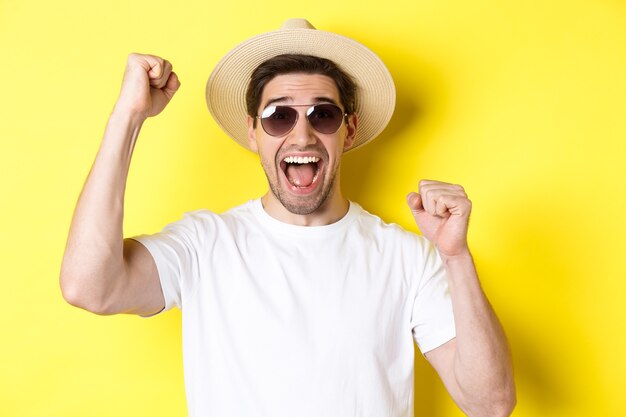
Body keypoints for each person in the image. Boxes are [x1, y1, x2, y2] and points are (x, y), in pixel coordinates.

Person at [60, 18, 515, 417]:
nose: (302, 135)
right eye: (278, 117)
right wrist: (129, 115)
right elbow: (88, 286)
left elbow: (490, 404)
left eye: (323, 114)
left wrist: (455, 256)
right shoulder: (205, 245)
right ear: (253, 133)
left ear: (348, 131)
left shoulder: (407, 258)